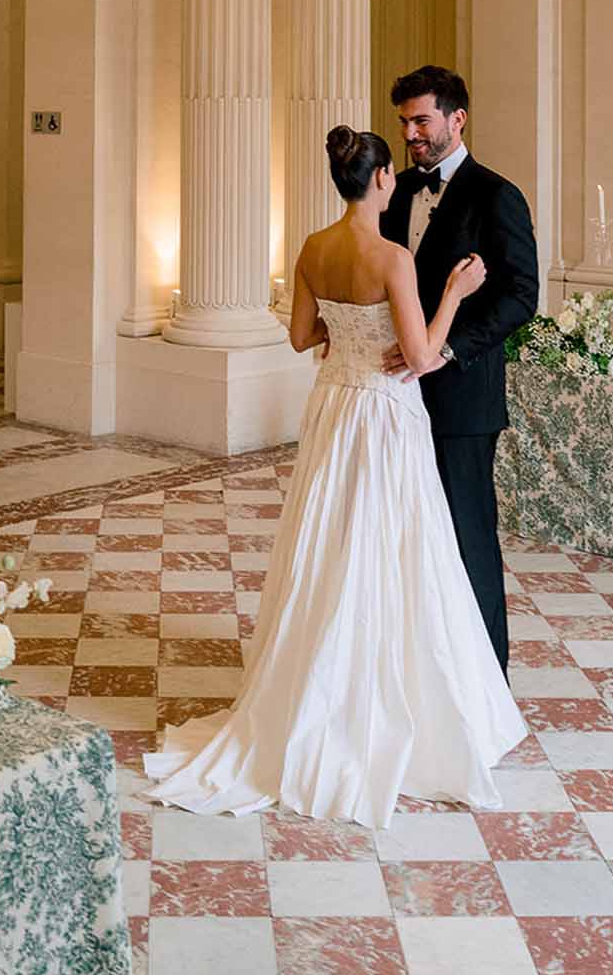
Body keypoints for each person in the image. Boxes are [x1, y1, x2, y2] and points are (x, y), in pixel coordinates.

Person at [144, 124, 525, 827]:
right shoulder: (392, 258)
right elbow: (418, 354)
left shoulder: (313, 248)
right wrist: (453, 291)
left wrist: (346, 335)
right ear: (381, 179)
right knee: (394, 545)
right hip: (385, 416)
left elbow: (298, 336)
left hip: (333, 410)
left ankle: (319, 682)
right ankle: (386, 693)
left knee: (330, 539)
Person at [381, 65, 539, 676]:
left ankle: (484, 683)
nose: (411, 133)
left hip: (463, 396)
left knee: (467, 536)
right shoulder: (393, 195)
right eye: (405, 122)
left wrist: (445, 349)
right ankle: (420, 674)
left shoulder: (496, 194)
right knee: (406, 536)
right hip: (395, 394)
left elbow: (521, 294)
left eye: (421, 120)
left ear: (457, 118)